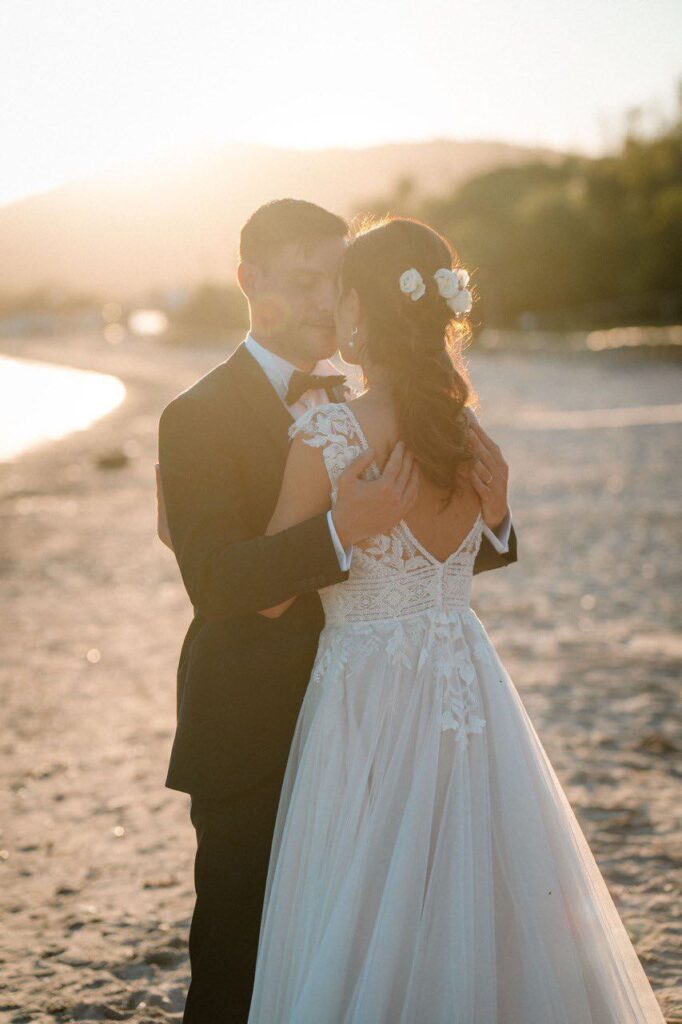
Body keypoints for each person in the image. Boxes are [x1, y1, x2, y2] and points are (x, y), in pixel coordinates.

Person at [246, 216, 666, 1023]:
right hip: (468, 690)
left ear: (360, 309)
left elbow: (267, 593)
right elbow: (465, 553)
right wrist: (496, 515)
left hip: (367, 698)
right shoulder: (466, 435)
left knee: (366, 892)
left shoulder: (331, 434)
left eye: (341, 295)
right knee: (468, 881)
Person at [156, 199, 517, 1023]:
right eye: (305, 281)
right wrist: (334, 532)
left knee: (381, 946)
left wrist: (497, 519)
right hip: (252, 725)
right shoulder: (196, 416)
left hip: (377, 721)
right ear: (249, 280)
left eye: (338, 280)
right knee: (242, 954)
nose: (327, 301)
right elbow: (215, 582)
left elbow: (424, 551)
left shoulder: (371, 401)